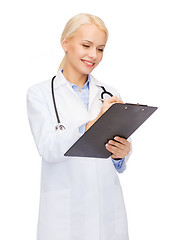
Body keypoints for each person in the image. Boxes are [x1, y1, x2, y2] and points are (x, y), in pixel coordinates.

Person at [27, 13, 132, 240]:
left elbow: (118, 158)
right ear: (65, 43)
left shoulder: (109, 94)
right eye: (86, 45)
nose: (93, 55)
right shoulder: (41, 94)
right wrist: (91, 125)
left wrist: (121, 154)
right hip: (65, 216)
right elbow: (48, 148)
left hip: (107, 213)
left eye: (100, 49)